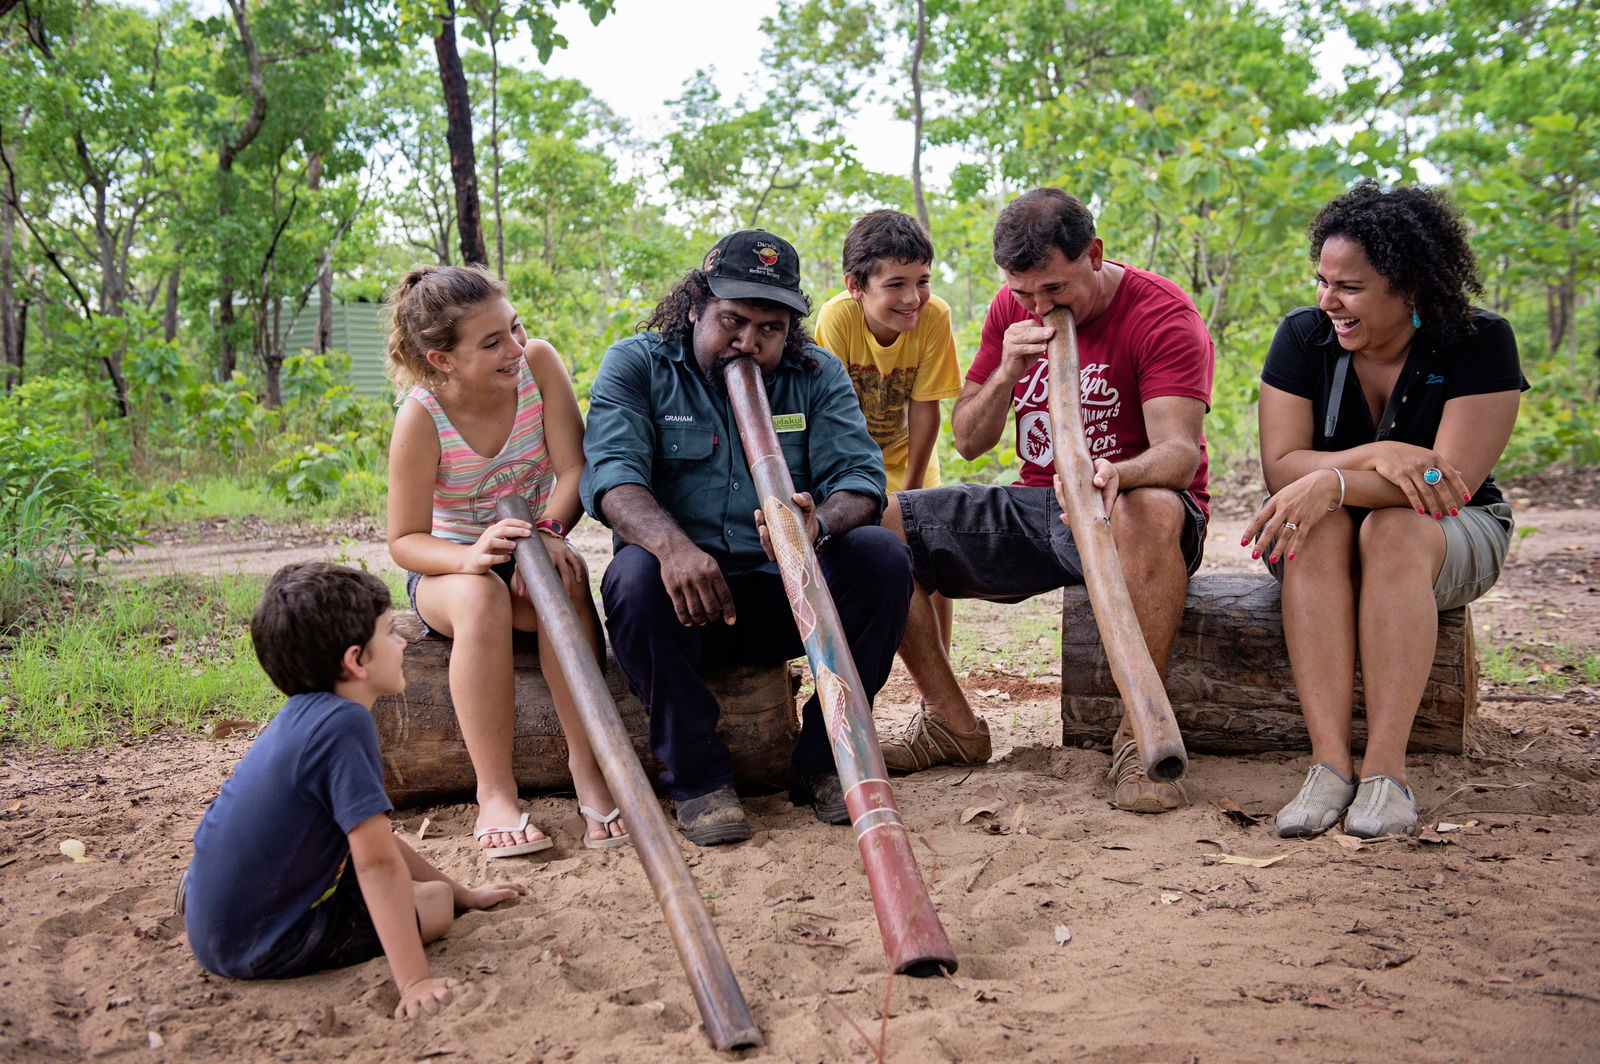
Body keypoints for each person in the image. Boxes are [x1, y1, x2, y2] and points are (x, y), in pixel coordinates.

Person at [877, 188, 1214, 815]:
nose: (1038, 305)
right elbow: (971, 441)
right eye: (1024, 292)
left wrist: (1114, 472)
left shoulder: (1161, 312)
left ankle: (1137, 735)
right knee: (881, 523)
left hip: (1136, 511)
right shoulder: (1013, 307)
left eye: (1055, 290)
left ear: (1094, 254)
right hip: (1039, 506)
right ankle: (953, 723)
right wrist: (1004, 371)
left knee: (1153, 507)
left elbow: (1179, 455)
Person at [580, 229, 913, 846]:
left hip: (789, 598)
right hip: (685, 606)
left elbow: (862, 480)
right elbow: (611, 480)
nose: (749, 342)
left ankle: (825, 762)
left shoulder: (816, 375)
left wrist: (816, 526)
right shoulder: (638, 365)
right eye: (733, 321)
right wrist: (675, 549)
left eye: (770, 328)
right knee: (631, 577)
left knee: (882, 555)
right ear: (695, 309)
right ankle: (699, 781)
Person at [1245, 182, 1524, 840]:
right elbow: (1283, 466)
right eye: (1322, 281)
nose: (1328, 301)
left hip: (1454, 532)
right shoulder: (1302, 337)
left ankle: (1385, 774)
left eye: (1350, 287)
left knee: (1397, 527)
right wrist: (1377, 457)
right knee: (1316, 528)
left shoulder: (1480, 341)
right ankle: (1328, 768)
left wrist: (1335, 482)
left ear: (1411, 288)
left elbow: (1446, 483)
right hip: (1323, 536)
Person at [181, 562, 526, 1020]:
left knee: (433, 889)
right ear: (355, 660)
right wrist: (415, 980)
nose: (402, 641)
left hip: (218, 918)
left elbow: (377, 841)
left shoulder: (304, 714)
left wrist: (467, 892)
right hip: (258, 944)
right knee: (434, 906)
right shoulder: (345, 726)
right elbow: (377, 863)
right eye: (389, 632)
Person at [385, 264, 626, 854]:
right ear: (443, 360)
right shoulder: (422, 416)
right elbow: (404, 539)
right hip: (451, 567)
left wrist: (548, 532)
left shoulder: (539, 365)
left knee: (565, 582)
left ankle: (587, 769)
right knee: (482, 595)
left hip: (535, 542)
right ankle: (494, 792)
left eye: (515, 328)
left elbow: (574, 469)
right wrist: (471, 557)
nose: (515, 347)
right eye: (493, 342)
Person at [812, 209, 963, 650]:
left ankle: (941, 674)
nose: (913, 297)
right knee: (857, 554)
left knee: (928, 552)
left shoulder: (935, 315)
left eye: (922, 280)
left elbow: (925, 408)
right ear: (856, 286)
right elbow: (828, 416)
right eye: (895, 284)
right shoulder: (837, 319)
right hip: (849, 457)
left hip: (909, 454)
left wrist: (911, 493)